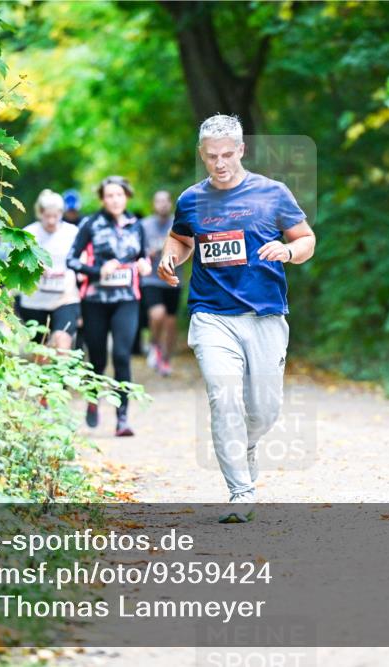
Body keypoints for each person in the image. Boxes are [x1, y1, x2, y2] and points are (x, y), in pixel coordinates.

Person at [157, 115, 316, 523]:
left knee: (264, 410)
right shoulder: (191, 199)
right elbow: (181, 238)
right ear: (202, 155)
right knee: (223, 397)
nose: (220, 163)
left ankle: (244, 445)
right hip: (211, 316)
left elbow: (306, 239)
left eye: (228, 154)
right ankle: (240, 491)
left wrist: (288, 252)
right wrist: (170, 257)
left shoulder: (273, 193)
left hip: (264, 315)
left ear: (242, 150)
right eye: (212, 156)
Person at [68, 176, 151, 437]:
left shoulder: (136, 225)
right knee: (98, 359)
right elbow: (71, 260)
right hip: (95, 301)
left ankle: (122, 418)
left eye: (119, 195)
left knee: (122, 356)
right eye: (109, 195)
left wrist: (145, 265)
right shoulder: (90, 223)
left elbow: (143, 256)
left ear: (127, 197)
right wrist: (97, 271)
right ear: (102, 199)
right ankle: (93, 400)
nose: (115, 200)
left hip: (127, 299)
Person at [14, 189, 81, 352]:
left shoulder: (72, 232)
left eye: (55, 216)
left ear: (61, 213)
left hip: (65, 297)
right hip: (34, 301)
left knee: (62, 342)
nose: (51, 221)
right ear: (40, 213)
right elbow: (16, 263)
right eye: (47, 216)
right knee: (41, 351)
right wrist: (34, 266)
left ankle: (63, 368)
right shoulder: (29, 233)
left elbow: (83, 258)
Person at [141, 190, 182, 376]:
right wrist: (147, 254)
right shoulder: (144, 225)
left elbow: (190, 248)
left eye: (166, 201)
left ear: (171, 203)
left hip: (173, 279)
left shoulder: (179, 223)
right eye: (159, 201)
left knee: (171, 322)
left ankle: (165, 360)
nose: (163, 204)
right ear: (154, 204)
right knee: (158, 315)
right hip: (151, 279)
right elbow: (137, 250)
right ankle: (154, 344)